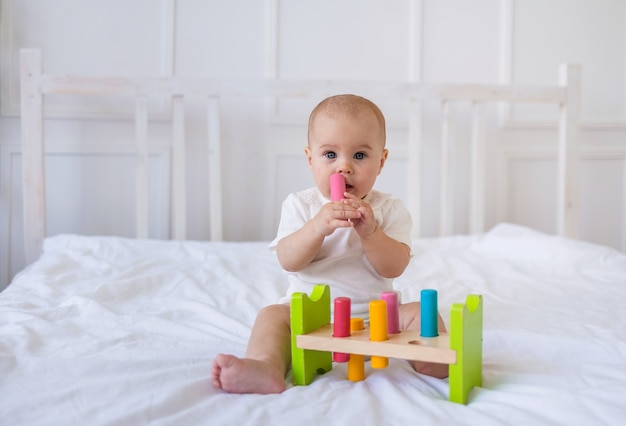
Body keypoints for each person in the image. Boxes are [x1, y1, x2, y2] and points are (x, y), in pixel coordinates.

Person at [212, 94, 448, 394]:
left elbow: (395, 266)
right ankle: (266, 366)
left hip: (375, 318)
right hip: (314, 317)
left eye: (360, 156)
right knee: (271, 316)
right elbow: (288, 260)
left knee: (420, 311)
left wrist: (371, 233)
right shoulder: (301, 205)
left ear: (382, 161)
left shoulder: (389, 210)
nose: (344, 167)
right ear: (310, 158)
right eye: (330, 155)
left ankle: (433, 360)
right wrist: (317, 227)